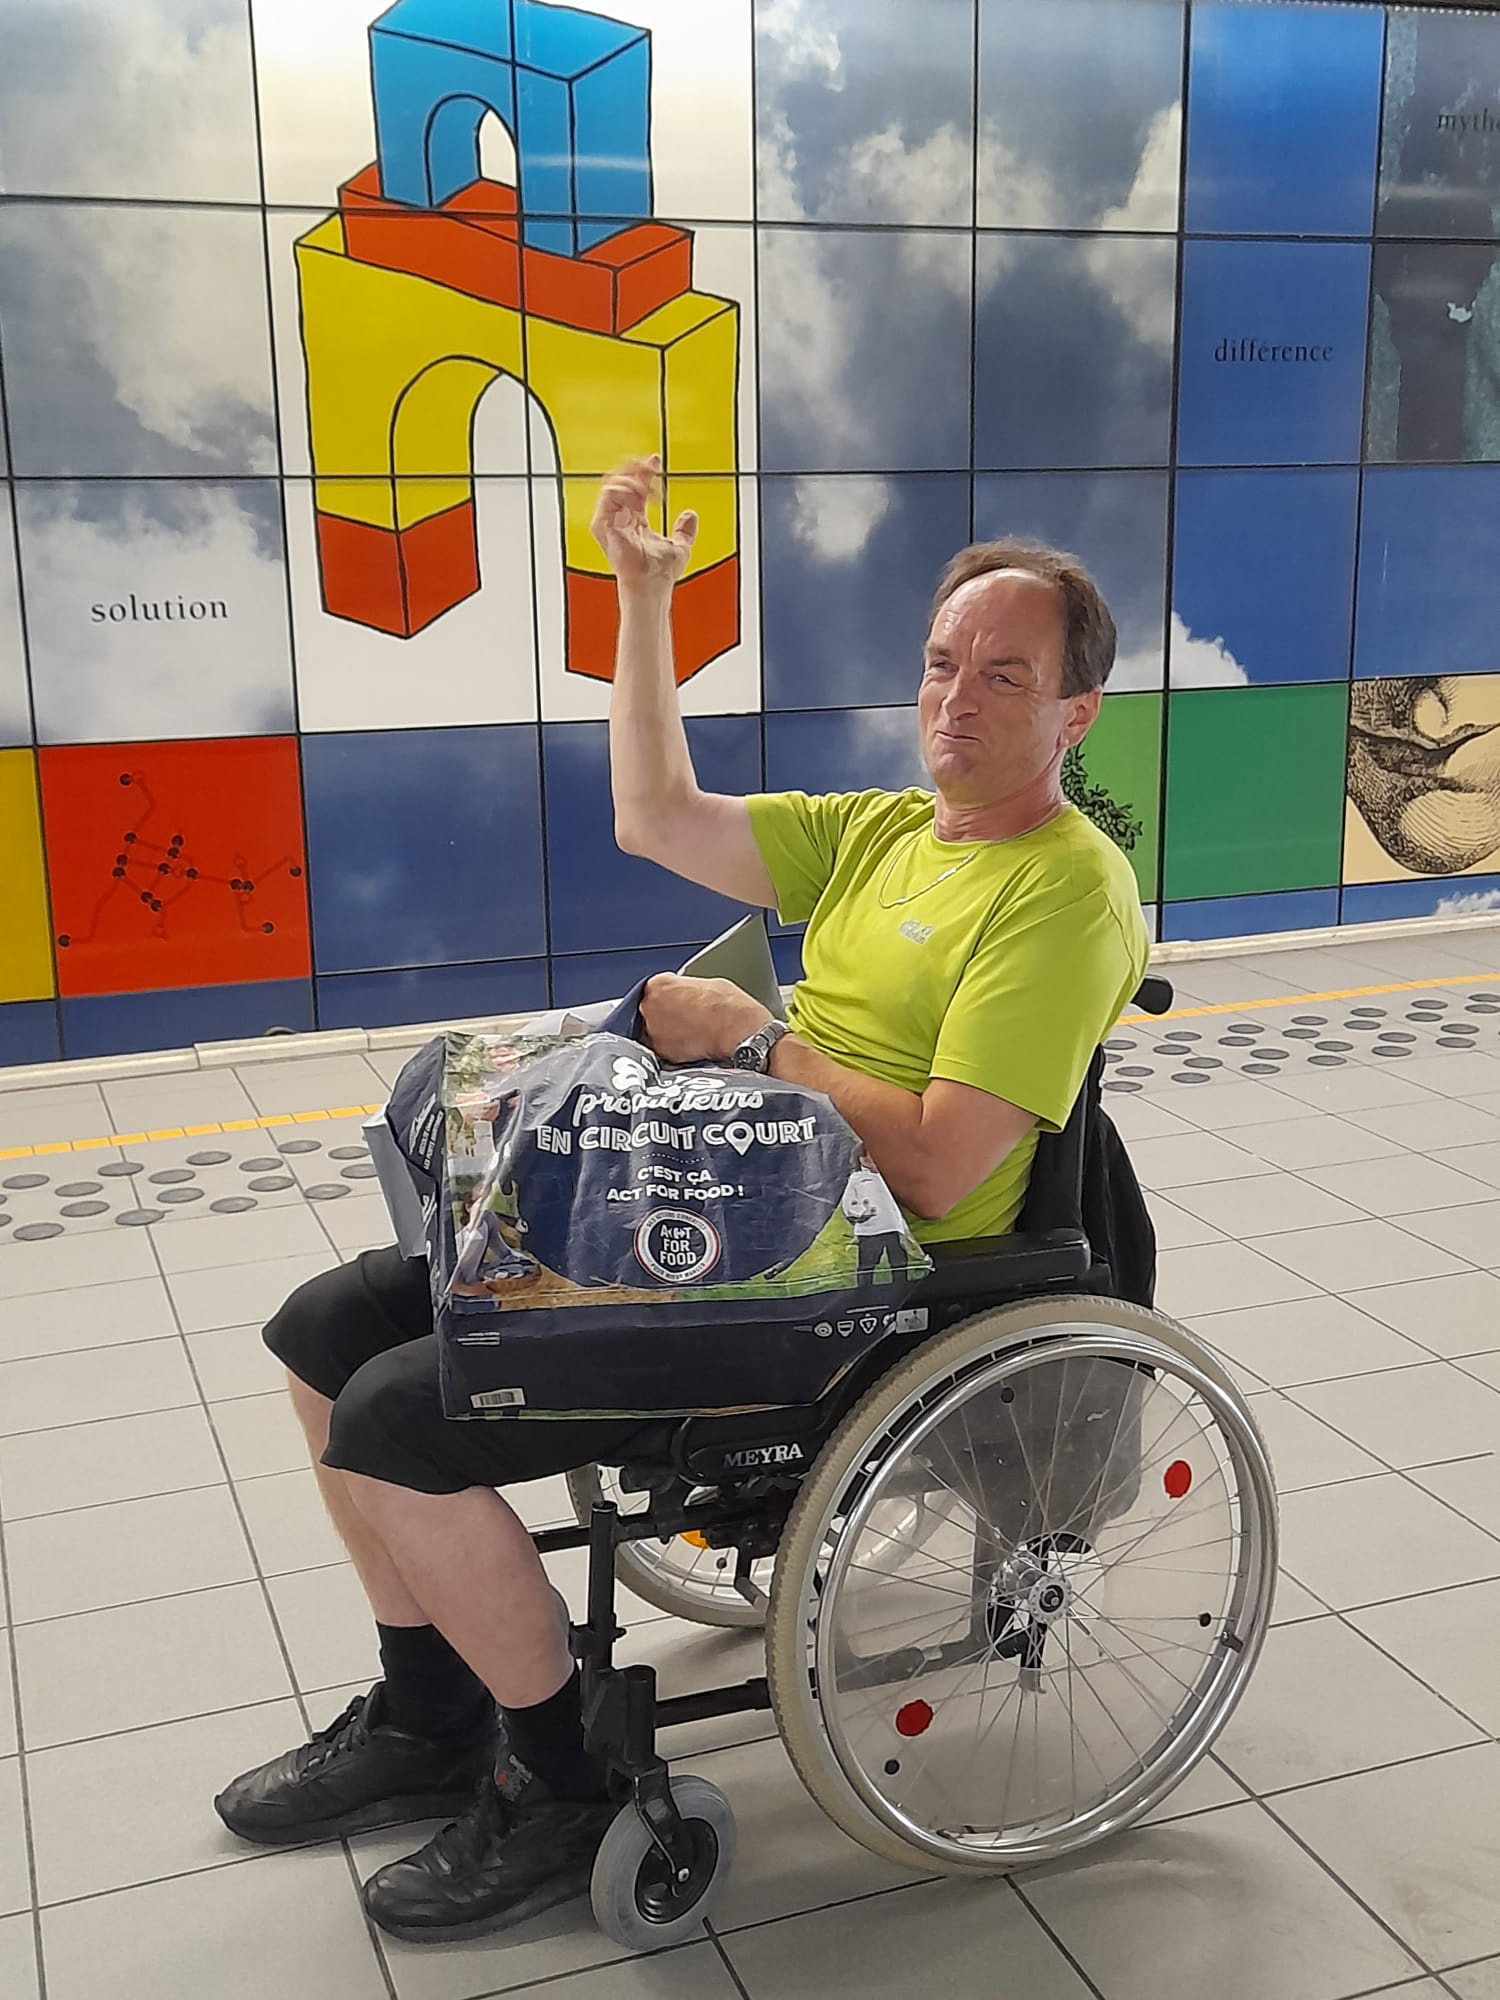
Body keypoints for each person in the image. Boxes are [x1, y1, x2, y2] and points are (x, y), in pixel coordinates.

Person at [212, 456, 1149, 1945]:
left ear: (1075, 713)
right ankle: (428, 1711)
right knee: (325, 1330)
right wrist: (641, 596)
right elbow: (655, 814)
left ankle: (557, 1781)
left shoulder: (1068, 891)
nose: (956, 700)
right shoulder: (885, 832)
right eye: (941, 663)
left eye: (1005, 676)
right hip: (737, 1198)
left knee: (397, 1418)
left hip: (861, 1285)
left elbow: (937, 1164)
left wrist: (758, 1041)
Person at [841, 1148, 909, 1287]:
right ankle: (864, 1290)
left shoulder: (889, 1177)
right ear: (862, 1159)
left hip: (892, 1227)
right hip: (870, 1230)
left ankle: (900, 1286)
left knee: (898, 1261)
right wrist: (863, 1212)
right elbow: (848, 1203)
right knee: (868, 1264)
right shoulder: (857, 1179)